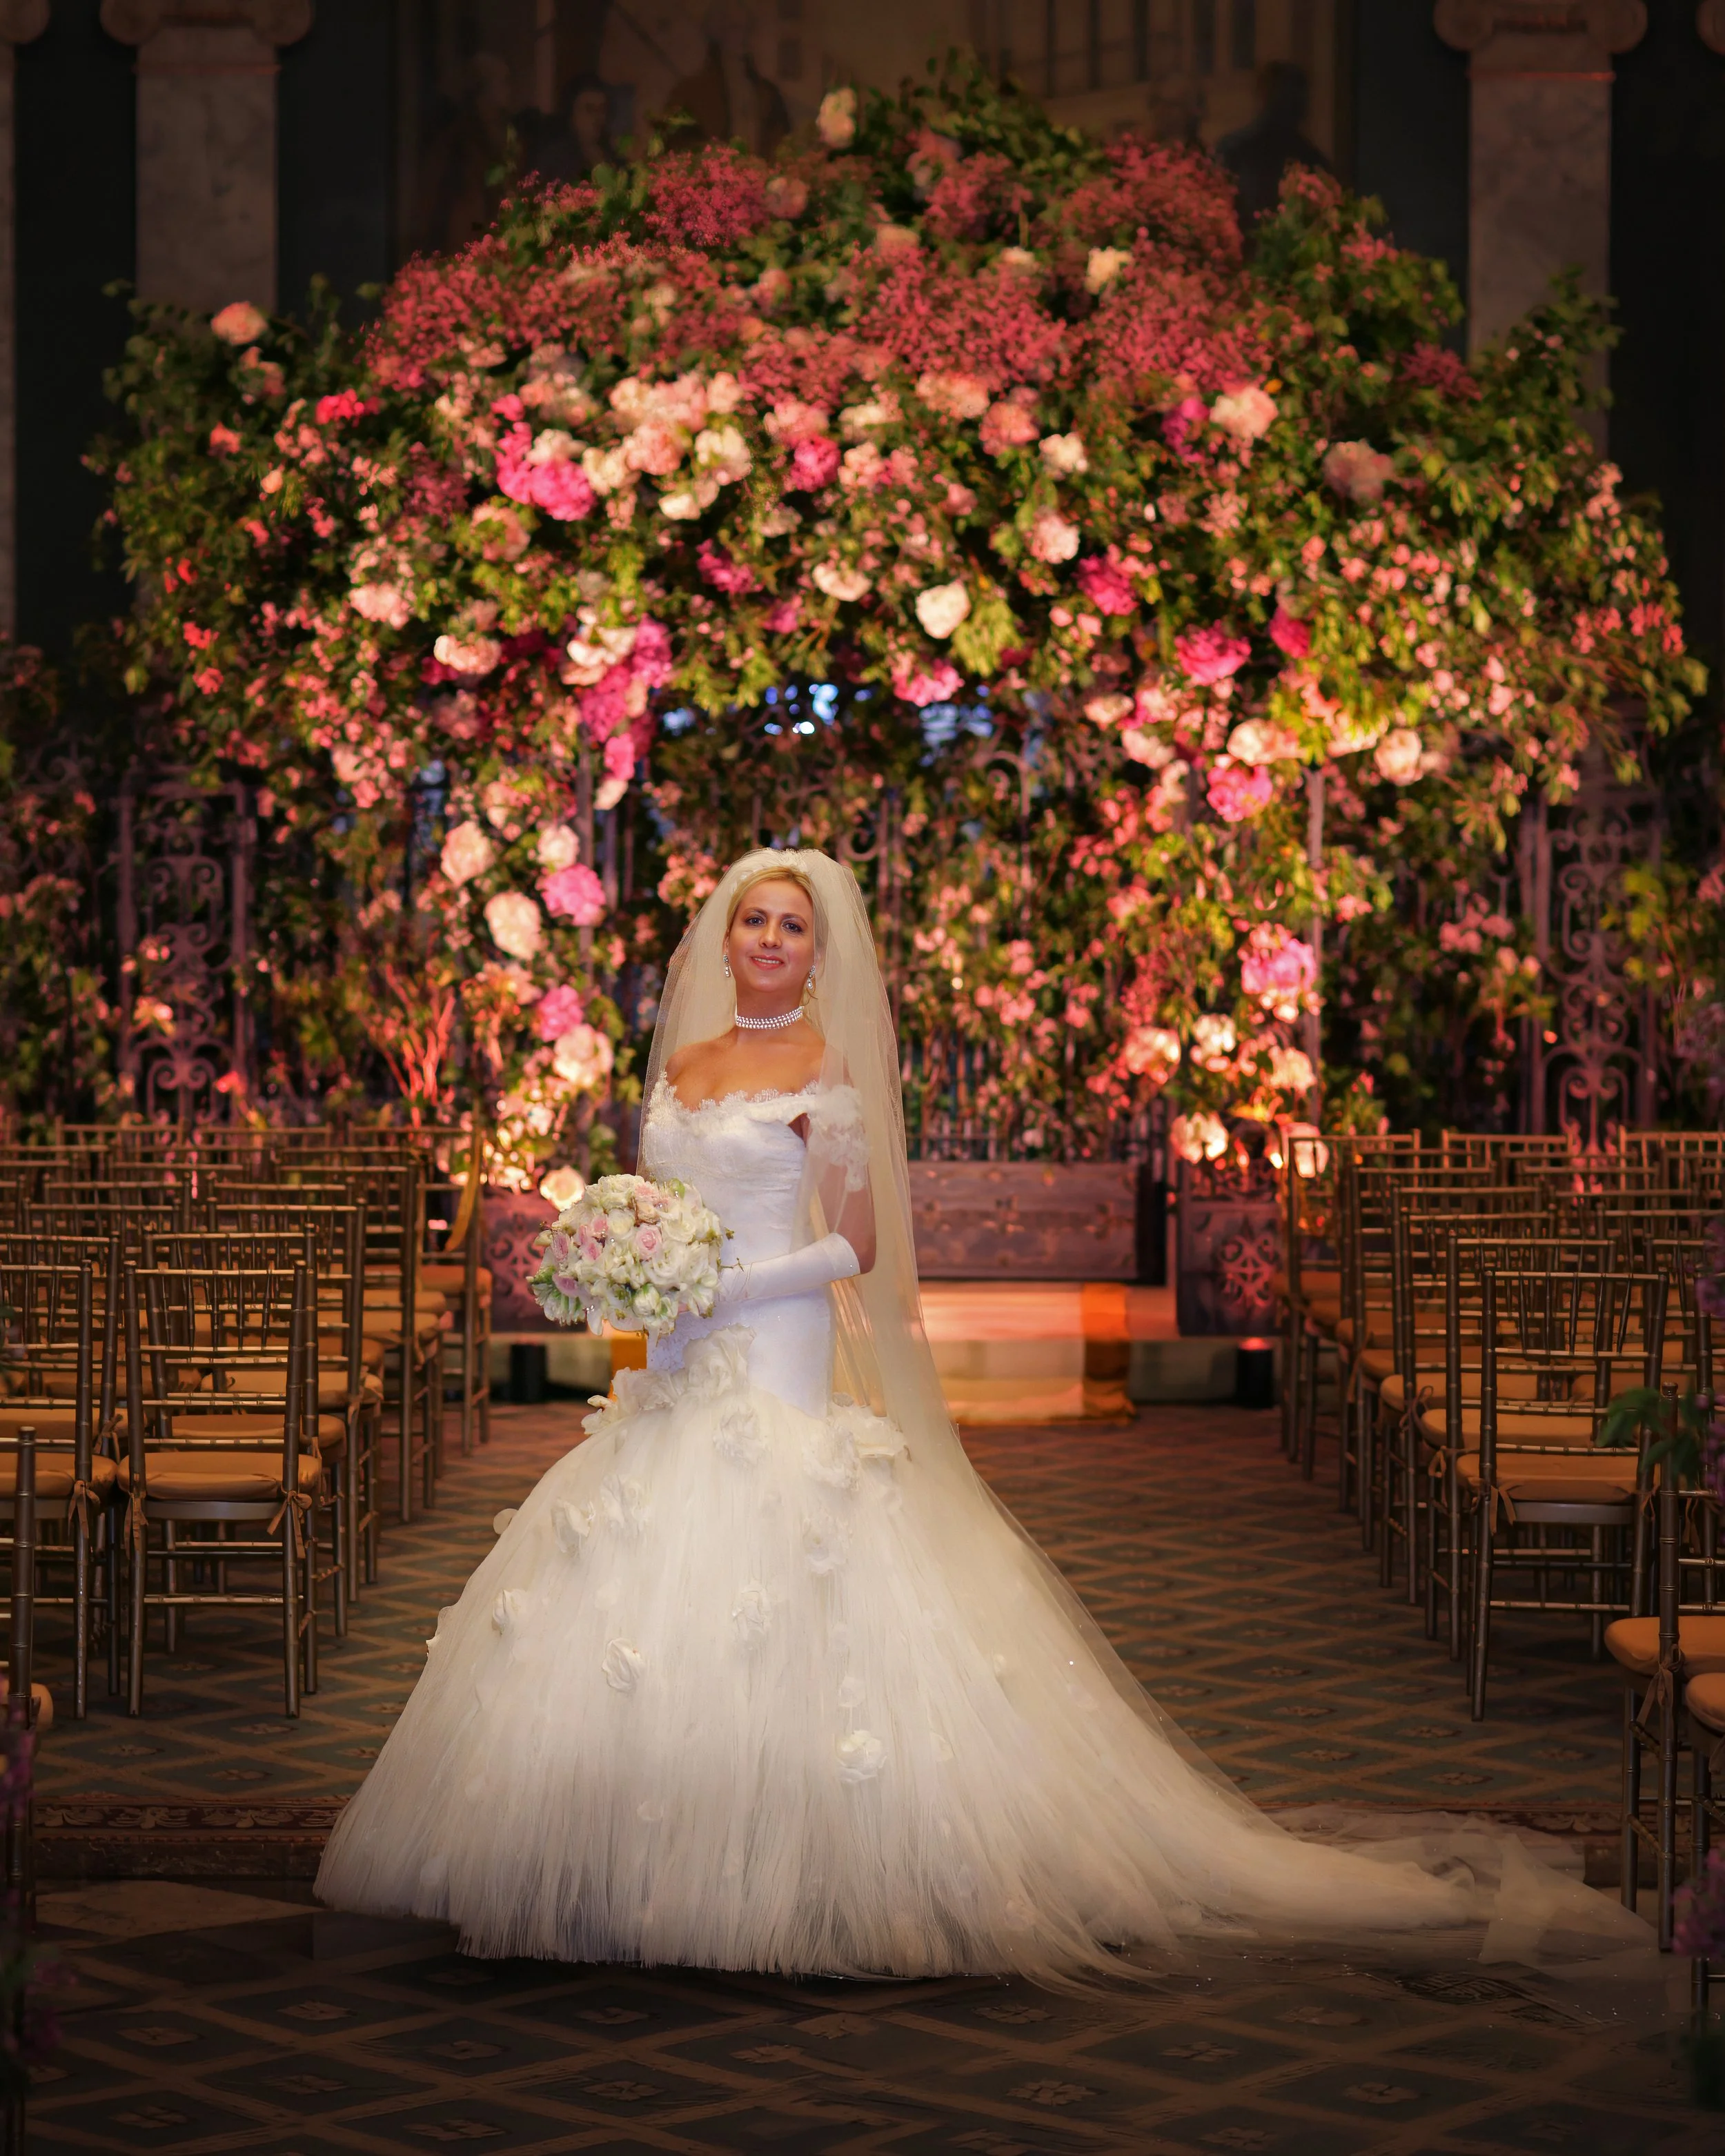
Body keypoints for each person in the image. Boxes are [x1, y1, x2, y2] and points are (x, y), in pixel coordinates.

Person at [317, 849, 1653, 1984]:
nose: (771, 939)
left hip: (773, 1335)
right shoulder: (689, 1061)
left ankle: (797, 1870)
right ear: (722, 939)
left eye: (794, 926)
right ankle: (629, 1860)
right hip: (673, 1350)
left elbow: (853, 1244)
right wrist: (638, 1267)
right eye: (754, 919)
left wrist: (727, 1282)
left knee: (780, 1555)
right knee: (629, 1561)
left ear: (817, 954)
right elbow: (661, 1212)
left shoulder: (827, 1070)